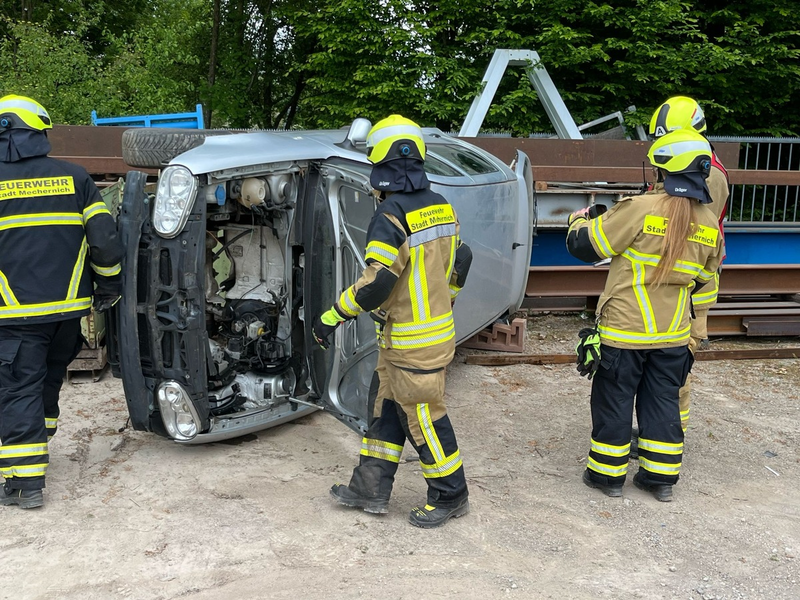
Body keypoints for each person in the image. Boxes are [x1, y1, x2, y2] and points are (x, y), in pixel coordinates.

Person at [312, 115, 473, 528]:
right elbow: (462, 260)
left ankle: (451, 494)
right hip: (423, 336)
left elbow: (377, 283)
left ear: (378, 165)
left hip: (410, 342)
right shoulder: (440, 205)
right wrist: (443, 303)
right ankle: (370, 487)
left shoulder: (390, 216)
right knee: (384, 409)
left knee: (424, 419)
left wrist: (331, 316)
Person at [566, 128, 723, 502]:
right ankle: (660, 479)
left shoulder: (638, 209)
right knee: (662, 402)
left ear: (664, 171)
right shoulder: (708, 224)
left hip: (625, 331)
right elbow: (704, 282)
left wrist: (578, 220)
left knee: (615, 400)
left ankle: (606, 477)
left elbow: (586, 247)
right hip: (673, 335)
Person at [0, 95, 123, 509]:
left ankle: (24, 483)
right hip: (68, 312)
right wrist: (108, 287)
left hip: (13, 314)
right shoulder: (76, 178)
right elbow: (105, 242)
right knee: (48, 380)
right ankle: (38, 440)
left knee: (18, 387)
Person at [648, 96, 730, 434]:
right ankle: (662, 430)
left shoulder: (705, 175)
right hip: (679, 280)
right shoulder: (697, 165)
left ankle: (669, 435)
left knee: (675, 366)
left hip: (689, 286)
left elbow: (682, 227)